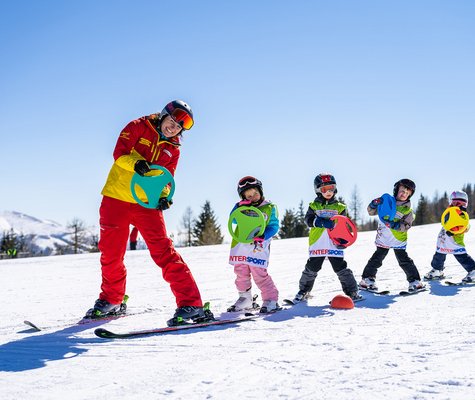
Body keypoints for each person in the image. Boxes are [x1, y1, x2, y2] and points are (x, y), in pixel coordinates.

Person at [86, 100, 211, 326]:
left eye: (178, 127)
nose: (173, 128)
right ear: (163, 116)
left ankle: (191, 304)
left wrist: (163, 196)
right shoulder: (138, 126)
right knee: (110, 254)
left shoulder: (172, 150)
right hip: (116, 198)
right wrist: (137, 164)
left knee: (164, 251)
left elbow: (166, 178)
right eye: (172, 122)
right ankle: (112, 300)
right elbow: (119, 153)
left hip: (146, 204)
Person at [292, 173, 361, 303]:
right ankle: (304, 291)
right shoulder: (314, 206)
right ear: (318, 190)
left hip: (334, 242)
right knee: (312, 267)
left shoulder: (340, 207)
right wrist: (319, 222)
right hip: (318, 242)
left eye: (331, 188)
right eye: (324, 189)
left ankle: (352, 291)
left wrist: (343, 240)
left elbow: (344, 225)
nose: (328, 191)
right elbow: (308, 220)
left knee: (340, 266)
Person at [359, 178, 425, 292]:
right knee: (377, 259)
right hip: (383, 237)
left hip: (398, 238)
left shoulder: (407, 209)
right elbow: (371, 212)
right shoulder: (387, 202)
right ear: (396, 190)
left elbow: (407, 225)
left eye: (407, 193)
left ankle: (415, 281)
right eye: (402, 191)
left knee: (404, 260)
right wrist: (374, 204)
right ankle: (367, 280)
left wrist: (396, 225)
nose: (404, 194)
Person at [228, 176, 280, 313]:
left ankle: (271, 300)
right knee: (241, 273)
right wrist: (238, 207)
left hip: (258, 247)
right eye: (249, 196)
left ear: (260, 191)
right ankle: (245, 298)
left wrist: (264, 235)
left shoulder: (269, 207)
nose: (253, 197)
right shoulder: (241, 207)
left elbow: (274, 226)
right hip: (241, 246)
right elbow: (233, 221)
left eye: (255, 193)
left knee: (259, 274)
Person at [424, 190, 475, 282]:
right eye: (454, 202)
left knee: (461, 256)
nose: (457, 205)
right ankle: (437, 270)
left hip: (454, 241)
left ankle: (473, 270)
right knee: (438, 255)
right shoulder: (449, 212)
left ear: (465, 204)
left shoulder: (463, 215)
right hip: (443, 240)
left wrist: (455, 231)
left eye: (460, 203)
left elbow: (466, 226)